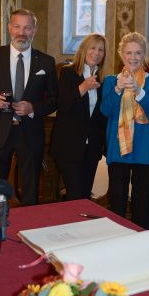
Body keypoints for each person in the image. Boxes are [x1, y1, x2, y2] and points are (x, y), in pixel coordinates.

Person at [0, 8, 58, 205]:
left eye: (27, 28)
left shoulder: (46, 61)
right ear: (9, 28)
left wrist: (33, 108)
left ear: (34, 30)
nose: (21, 32)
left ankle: (28, 229)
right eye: (17, 26)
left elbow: (54, 99)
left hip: (31, 133)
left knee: (31, 187)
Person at [100, 32, 149, 229]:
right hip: (118, 147)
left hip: (144, 148)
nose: (133, 57)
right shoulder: (111, 81)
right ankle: (115, 239)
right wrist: (117, 90)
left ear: (144, 55)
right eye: (129, 53)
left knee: (141, 201)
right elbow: (106, 110)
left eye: (138, 53)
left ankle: (140, 241)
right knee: (117, 200)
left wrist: (139, 90)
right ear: (121, 55)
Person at [51, 34, 107, 200]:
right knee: (74, 194)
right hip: (69, 145)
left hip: (92, 147)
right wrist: (82, 88)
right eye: (92, 48)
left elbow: (101, 116)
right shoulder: (68, 72)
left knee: (84, 195)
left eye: (101, 50)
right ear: (84, 49)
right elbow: (62, 105)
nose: (96, 53)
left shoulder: (103, 79)